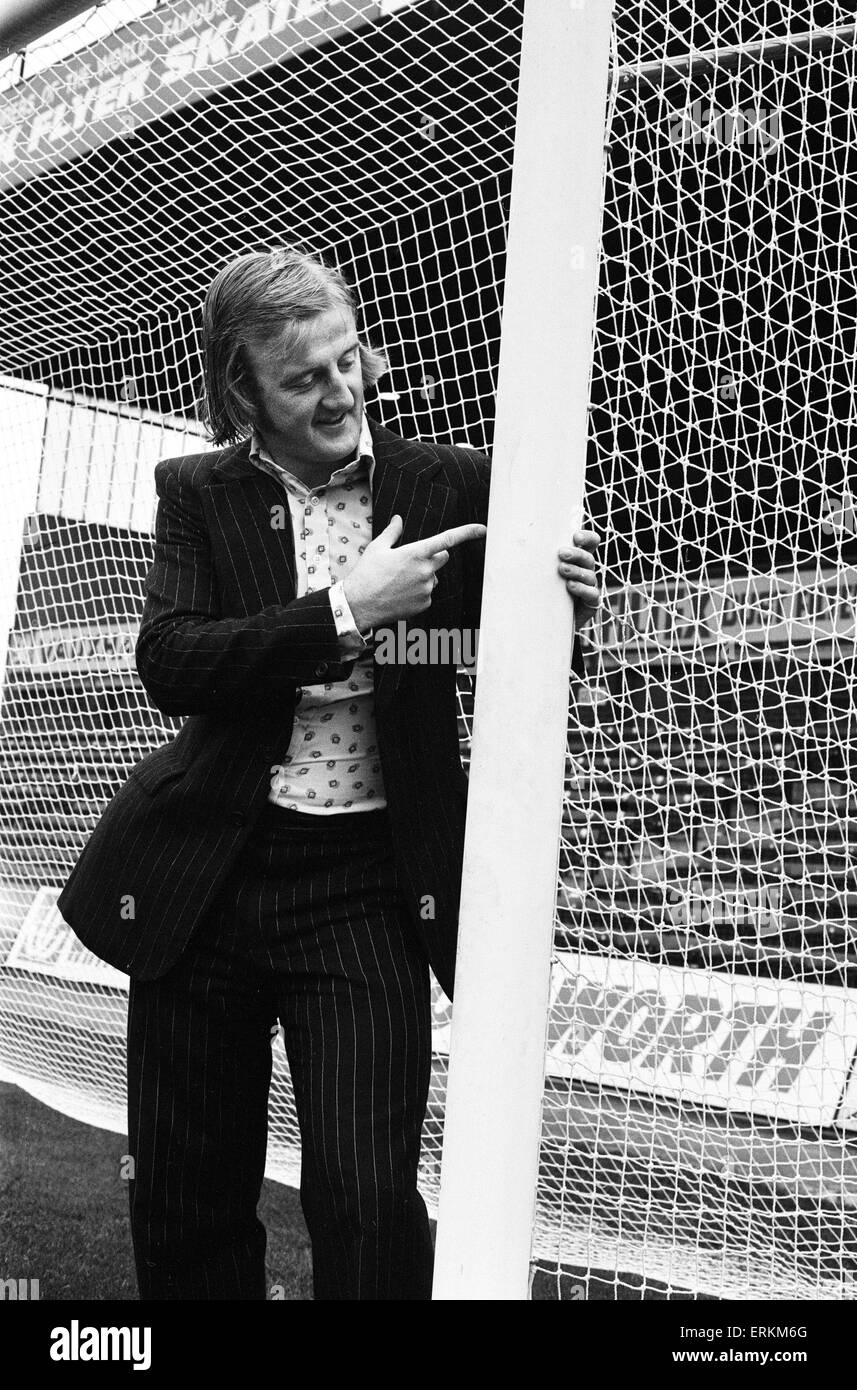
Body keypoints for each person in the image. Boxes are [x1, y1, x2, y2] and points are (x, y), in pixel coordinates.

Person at [57, 246, 601, 1301]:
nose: (340, 391)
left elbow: (520, 649)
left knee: (364, 1195)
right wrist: (346, 608)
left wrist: (567, 594)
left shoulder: (452, 484)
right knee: (186, 1197)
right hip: (201, 881)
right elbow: (170, 663)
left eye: (348, 360)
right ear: (242, 394)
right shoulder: (197, 495)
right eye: (304, 378)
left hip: (363, 886)